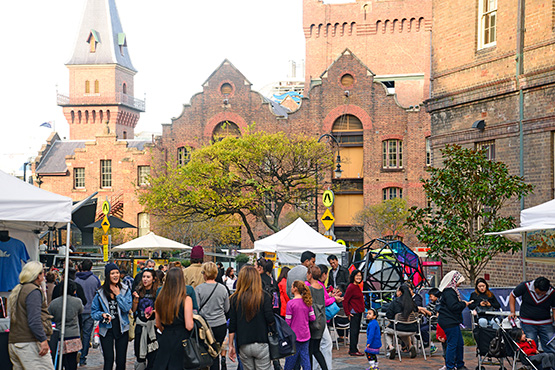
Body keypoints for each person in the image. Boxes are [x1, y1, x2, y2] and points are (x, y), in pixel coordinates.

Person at [8, 261, 54, 370]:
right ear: (38, 275)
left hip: (15, 342)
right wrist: (43, 340)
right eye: (43, 273)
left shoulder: (19, 289)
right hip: (29, 343)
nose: (44, 275)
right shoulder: (33, 291)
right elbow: (34, 320)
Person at [228, 265, 276, 370]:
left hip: (243, 343)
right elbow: (270, 318)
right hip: (261, 341)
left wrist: (230, 345)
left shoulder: (235, 298)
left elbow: (232, 324)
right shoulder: (264, 296)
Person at [91, 262, 133, 370]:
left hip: (122, 328)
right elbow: (93, 313)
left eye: (117, 273)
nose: (116, 275)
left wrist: (118, 294)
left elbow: (126, 308)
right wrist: (102, 315)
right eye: (112, 273)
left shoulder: (125, 289)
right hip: (106, 329)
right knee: (108, 359)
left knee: (121, 360)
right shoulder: (100, 292)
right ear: (107, 275)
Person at [153, 267, 195, 369]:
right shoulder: (186, 299)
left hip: (165, 337)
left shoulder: (160, 298)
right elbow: (189, 326)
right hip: (181, 338)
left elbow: (158, 324)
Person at [195, 262, 230, 370]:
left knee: (205, 352)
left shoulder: (199, 289)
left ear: (205, 274)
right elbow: (226, 308)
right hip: (220, 324)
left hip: (205, 326)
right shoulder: (222, 288)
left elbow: (196, 309)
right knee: (216, 353)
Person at [509, 276, 555, 354]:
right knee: (530, 346)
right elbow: (513, 295)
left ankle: (551, 363)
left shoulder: (552, 292)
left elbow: (554, 308)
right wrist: (512, 312)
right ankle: (533, 365)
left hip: (545, 322)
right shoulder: (525, 286)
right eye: (538, 292)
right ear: (534, 287)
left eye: (543, 293)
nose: (540, 294)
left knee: (550, 345)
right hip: (528, 322)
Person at [438, 271, 473, 370]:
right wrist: (463, 304)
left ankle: (459, 364)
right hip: (450, 321)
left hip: (451, 320)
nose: (459, 284)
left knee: (459, 343)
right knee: (453, 344)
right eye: (459, 282)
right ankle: (450, 366)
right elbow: (453, 306)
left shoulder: (449, 291)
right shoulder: (449, 292)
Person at [49, 280, 84, 370]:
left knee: (60, 361)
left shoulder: (54, 303)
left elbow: (49, 316)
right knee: (72, 362)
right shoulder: (77, 302)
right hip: (73, 335)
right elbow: (81, 311)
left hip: (59, 335)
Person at [75, 259, 101, 366]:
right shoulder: (95, 279)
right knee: (86, 334)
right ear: (91, 267)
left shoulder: (76, 279)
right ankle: (83, 357)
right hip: (90, 310)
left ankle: (76, 352)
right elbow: (99, 294)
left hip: (77, 310)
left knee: (77, 333)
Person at [132, 268, 159, 369]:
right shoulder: (138, 290)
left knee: (152, 355)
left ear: (153, 279)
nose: (145, 279)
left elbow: (160, 309)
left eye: (148, 277)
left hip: (153, 327)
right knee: (140, 355)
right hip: (140, 325)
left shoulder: (157, 291)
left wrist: (153, 312)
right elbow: (134, 310)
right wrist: (136, 299)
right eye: (143, 277)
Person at [284, 280, 315, 370]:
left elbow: (288, 322)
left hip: (294, 336)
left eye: (292, 286)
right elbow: (312, 317)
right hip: (305, 334)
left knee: (290, 360)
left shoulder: (290, 303)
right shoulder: (307, 302)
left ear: (295, 289)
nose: (291, 288)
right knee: (305, 359)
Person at [384, 284, 419, 359]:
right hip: (412, 329)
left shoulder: (395, 302)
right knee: (403, 331)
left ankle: (391, 347)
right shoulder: (413, 302)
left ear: (400, 292)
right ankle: (410, 346)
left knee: (387, 331)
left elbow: (389, 315)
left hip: (399, 328)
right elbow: (416, 312)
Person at [306, 266, 328, 370]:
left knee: (310, 349)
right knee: (316, 349)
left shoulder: (309, 289)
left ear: (310, 275)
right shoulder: (321, 287)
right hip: (322, 320)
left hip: (313, 320)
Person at [343, 269, 365, 356]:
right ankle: (353, 350)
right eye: (357, 275)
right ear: (353, 277)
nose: (359, 277)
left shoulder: (356, 286)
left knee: (356, 331)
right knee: (354, 331)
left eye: (360, 276)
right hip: (354, 312)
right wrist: (347, 312)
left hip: (358, 311)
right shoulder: (351, 287)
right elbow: (345, 300)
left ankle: (354, 348)